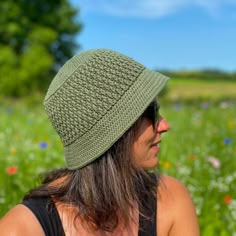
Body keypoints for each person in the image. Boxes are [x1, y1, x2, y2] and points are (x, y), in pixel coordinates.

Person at [0, 49, 200, 235]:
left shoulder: (170, 198)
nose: (164, 125)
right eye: (151, 113)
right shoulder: (22, 228)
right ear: (112, 134)